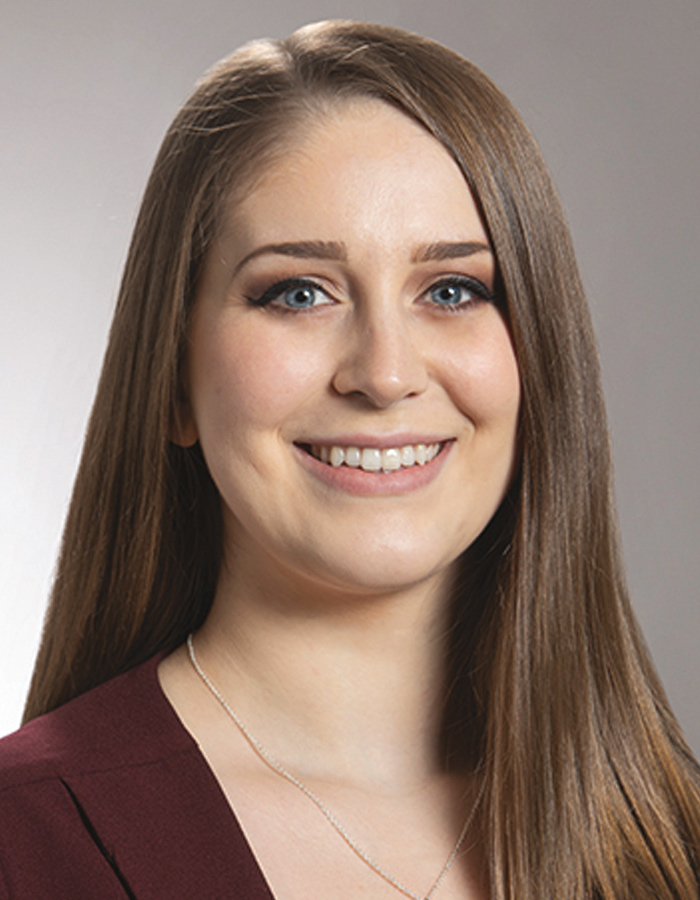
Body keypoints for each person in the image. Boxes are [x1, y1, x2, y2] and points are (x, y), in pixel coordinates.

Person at [1, 18, 698, 900]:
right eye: (298, 292)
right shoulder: (21, 844)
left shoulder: (673, 844)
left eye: (453, 290)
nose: (385, 373)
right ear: (172, 381)